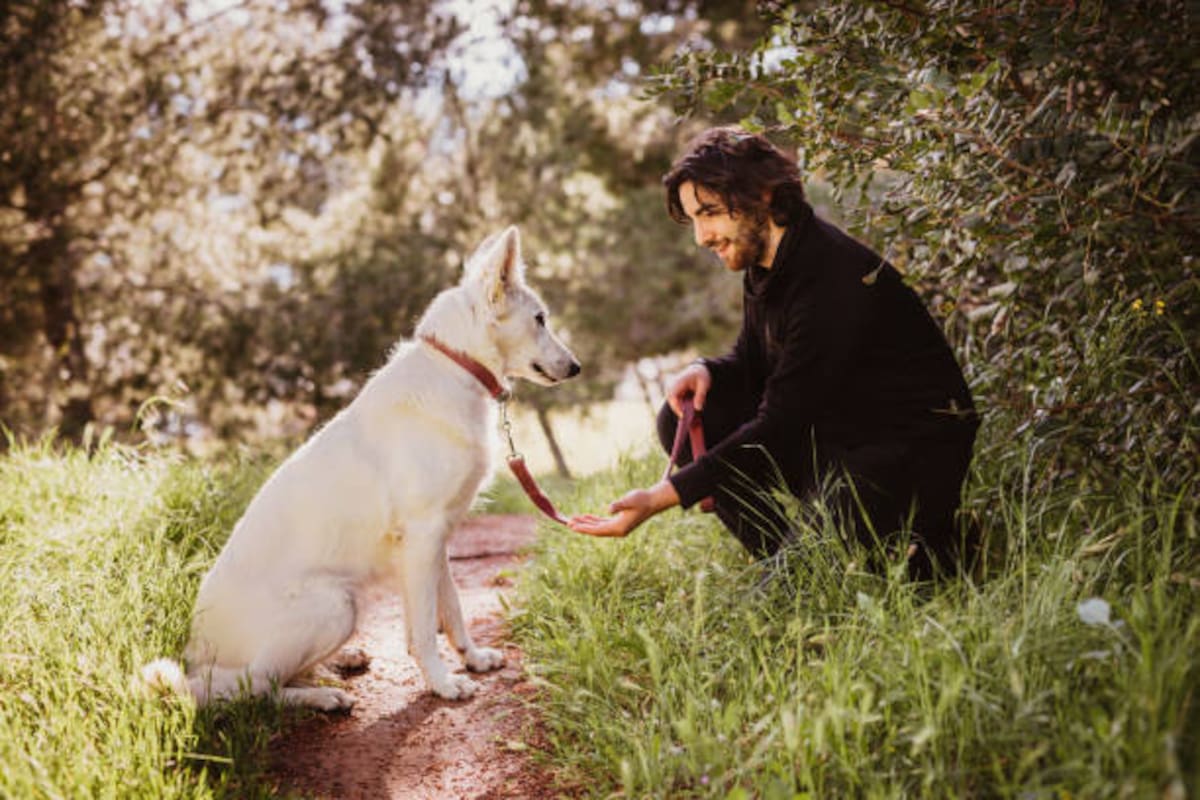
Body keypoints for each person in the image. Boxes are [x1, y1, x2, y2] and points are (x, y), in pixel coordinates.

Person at [568, 126, 980, 580]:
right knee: (687, 419)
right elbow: (754, 362)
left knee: (796, 595)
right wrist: (704, 367)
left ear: (761, 194)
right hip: (843, 434)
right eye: (694, 219)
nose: (702, 236)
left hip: (904, 452)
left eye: (709, 213)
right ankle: (787, 560)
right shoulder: (770, 261)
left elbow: (781, 423)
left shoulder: (829, 277)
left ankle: (925, 544)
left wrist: (661, 496)